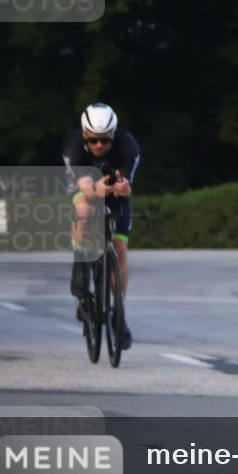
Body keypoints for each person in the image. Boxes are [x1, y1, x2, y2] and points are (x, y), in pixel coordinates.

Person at [63, 103, 141, 349]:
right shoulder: (74, 148)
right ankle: (80, 263)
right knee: (85, 209)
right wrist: (95, 189)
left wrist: (124, 186)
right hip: (83, 189)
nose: (99, 145)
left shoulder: (128, 146)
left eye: (105, 141)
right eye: (94, 140)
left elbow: (127, 181)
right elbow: (85, 185)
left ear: (114, 135)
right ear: (85, 134)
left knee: (119, 248)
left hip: (115, 195)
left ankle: (119, 311)